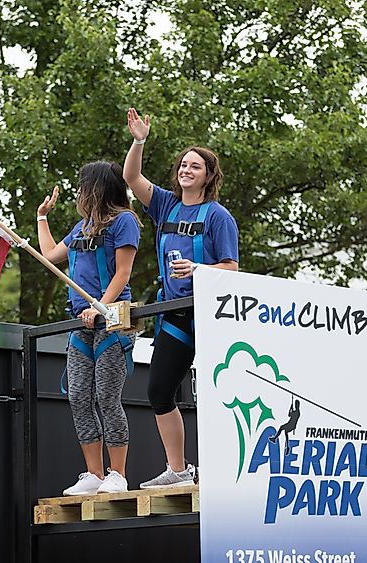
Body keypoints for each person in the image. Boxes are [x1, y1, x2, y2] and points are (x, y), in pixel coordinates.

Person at [123, 107, 239, 488]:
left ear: (208, 176)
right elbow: (131, 177)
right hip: (173, 317)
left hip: (210, 317)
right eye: (183, 165)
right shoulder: (165, 205)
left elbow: (232, 269)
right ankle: (178, 470)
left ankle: (224, 469)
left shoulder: (218, 216)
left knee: (216, 396)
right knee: (159, 391)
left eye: (195, 166)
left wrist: (199, 271)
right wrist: (139, 140)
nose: (186, 170)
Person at [36, 160, 142, 495]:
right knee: (79, 397)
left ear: (98, 188)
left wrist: (100, 308)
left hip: (112, 318)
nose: (80, 192)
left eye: (84, 186)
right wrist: (42, 217)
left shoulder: (124, 222)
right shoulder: (82, 227)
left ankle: (118, 474)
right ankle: (93, 473)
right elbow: (51, 256)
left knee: (107, 398)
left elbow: (123, 273)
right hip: (81, 320)